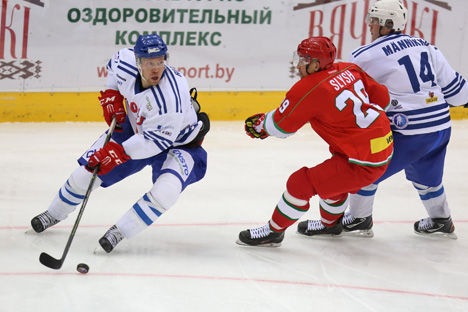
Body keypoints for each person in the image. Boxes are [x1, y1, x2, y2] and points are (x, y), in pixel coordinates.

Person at [302, 0, 468, 239]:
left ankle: (359, 219)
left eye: (374, 21)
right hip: (440, 127)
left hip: (408, 131)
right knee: (427, 177)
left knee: (363, 170)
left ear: (388, 24)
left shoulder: (365, 55)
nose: (369, 25)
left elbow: (348, 91)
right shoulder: (427, 46)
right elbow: (457, 91)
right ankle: (441, 220)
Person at [30, 34, 209, 253]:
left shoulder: (169, 97)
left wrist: (117, 153)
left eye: (160, 62)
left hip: (179, 144)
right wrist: (112, 93)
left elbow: (155, 143)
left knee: (167, 191)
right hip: (135, 130)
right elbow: (113, 68)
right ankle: (53, 213)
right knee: (85, 174)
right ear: (137, 61)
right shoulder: (125, 60)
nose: (156, 69)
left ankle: (120, 231)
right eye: (150, 63)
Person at [236, 36, 394, 247]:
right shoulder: (349, 68)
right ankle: (330, 225)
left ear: (316, 64)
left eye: (304, 60)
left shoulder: (309, 88)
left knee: (300, 183)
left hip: (362, 162)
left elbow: (281, 127)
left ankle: (273, 232)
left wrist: (260, 126)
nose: (299, 65)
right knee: (332, 181)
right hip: (381, 147)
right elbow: (383, 98)